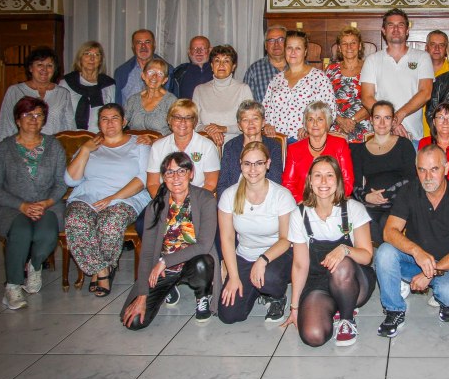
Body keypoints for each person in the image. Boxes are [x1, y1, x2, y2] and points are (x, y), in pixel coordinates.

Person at [375, 144, 449, 337]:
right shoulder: (409, 191)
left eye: (434, 169)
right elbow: (389, 231)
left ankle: (443, 298)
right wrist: (416, 251)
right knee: (384, 252)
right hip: (416, 260)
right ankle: (394, 310)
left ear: (446, 168)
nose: (427, 176)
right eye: (422, 170)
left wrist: (430, 273)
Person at [282, 156, 376, 347]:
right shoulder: (299, 214)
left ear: (338, 180)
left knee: (341, 264)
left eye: (329, 175)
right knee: (313, 336)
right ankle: (336, 307)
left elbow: (367, 256)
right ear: (310, 180)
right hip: (318, 280)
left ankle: (347, 319)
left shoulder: (354, 209)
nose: (323, 181)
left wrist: (344, 249)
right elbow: (300, 265)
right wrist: (295, 307)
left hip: (353, 280)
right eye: (318, 175)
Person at [121, 152, 219, 329]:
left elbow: (204, 245)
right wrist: (142, 295)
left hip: (192, 264)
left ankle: (202, 296)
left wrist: (164, 261)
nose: (175, 177)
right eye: (169, 172)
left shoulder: (205, 199)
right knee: (134, 322)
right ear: (163, 177)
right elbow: (147, 252)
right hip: (164, 270)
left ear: (191, 173)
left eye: (181, 171)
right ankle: (169, 288)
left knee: (202, 262)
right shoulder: (156, 205)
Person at [0, 97, 66, 309]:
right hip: (12, 207)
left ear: (44, 120)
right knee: (21, 232)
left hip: (47, 205)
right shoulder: (4, 148)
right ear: (17, 119)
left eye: (39, 115)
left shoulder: (54, 146)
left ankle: (35, 265)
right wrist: (22, 206)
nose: (33, 119)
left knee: (46, 235)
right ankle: (12, 287)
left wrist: (46, 203)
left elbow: (61, 183)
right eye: (27, 114)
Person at [64, 103, 151, 297]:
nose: (109, 123)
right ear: (99, 123)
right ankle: (102, 269)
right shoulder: (90, 145)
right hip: (88, 196)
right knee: (75, 218)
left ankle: (100, 271)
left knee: (110, 221)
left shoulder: (139, 144)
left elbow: (143, 179)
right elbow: (71, 180)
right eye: (104, 119)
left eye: (114, 118)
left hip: (126, 198)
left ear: (124, 121)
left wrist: (113, 197)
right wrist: (85, 150)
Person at [218, 142, 296, 324]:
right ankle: (255, 287)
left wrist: (262, 260)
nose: (253, 169)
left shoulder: (282, 195)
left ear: (268, 164)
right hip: (245, 255)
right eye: (247, 163)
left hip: (277, 255)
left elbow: (286, 239)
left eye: (259, 163)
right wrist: (234, 277)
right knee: (229, 315)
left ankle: (276, 296)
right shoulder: (229, 195)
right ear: (240, 165)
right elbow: (227, 239)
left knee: (269, 278)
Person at [360, 8, 435, 142]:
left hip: (413, 136)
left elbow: (425, 93)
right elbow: (366, 97)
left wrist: (397, 117)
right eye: (391, 25)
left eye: (400, 25)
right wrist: (391, 122)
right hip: (381, 136)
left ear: (407, 30)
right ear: (383, 30)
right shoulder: (372, 60)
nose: (396, 29)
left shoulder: (422, 57)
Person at [351, 100, 416, 244]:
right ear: (371, 120)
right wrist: (366, 196)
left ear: (393, 121)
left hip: (399, 202)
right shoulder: (359, 150)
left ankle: (384, 253)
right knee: (364, 220)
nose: (382, 123)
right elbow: (355, 184)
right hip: (370, 204)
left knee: (386, 223)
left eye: (387, 118)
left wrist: (386, 194)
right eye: (377, 117)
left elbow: (412, 178)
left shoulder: (404, 144)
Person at [263, 30, 336, 141]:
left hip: (306, 141)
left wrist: (309, 128)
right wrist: (267, 125)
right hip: (277, 141)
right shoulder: (276, 79)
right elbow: (266, 109)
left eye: (298, 48)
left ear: (305, 51)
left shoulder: (319, 78)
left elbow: (330, 112)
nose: (293, 52)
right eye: (289, 48)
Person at [0, 47, 74, 141]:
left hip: (53, 146)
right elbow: (5, 125)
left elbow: (70, 126)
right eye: (40, 64)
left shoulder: (63, 93)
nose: (44, 69)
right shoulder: (15, 91)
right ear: (30, 68)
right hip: (22, 146)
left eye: (49, 65)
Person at [146, 99, 220, 199]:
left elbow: (211, 183)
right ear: (169, 120)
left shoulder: (207, 146)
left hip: (197, 200)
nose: (183, 122)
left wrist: (189, 203)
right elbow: (152, 184)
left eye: (188, 118)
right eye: (177, 117)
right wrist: (167, 202)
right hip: (165, 199)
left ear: (194, 122)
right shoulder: (157, 147)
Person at [282, 101, 354, 203]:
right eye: (310, 119)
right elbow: (288, 184)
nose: (315, 124)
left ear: (327, 123)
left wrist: (331, 202)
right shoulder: (294, 149)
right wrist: (302, 203)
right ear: (305, 124)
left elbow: (347, 182)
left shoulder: (340, 145)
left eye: (320, 119)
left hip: (334, 203)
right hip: (303, 204)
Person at [216, 100, 283, 197]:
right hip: (235, 198)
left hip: (265, 199)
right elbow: (223, 184)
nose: (251, 123)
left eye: (255, 118)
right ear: (239, 126)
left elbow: (275, 181)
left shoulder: (273, 147)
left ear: (263, 122)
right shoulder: (230, 146)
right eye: (245, 120)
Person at [193, 45, 252, 146]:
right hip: (205, 144)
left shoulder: (243, 89)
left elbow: (250, 124)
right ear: (212, 66)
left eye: (226, 61)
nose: (221, 65)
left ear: (233, 66)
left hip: (236, 146)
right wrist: (210, 130)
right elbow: (194, 124)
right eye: (217, 60)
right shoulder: (199, 90)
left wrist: (223, 129)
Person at [325, 26, 371, 143]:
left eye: (353, 43)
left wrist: (352, 121)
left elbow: (375, 100)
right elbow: (324, 101)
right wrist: (340, 121)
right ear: (339, 48)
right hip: (336, 129)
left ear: (359, 46)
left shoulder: (370, 68)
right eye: (344, 43)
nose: (349, 47)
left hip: (363, 130)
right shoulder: (330, 70)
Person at [59, 41, 116, 132]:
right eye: (87, 54)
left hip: (100, 136)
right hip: (71, 136)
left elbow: (114, 114)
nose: (92, 58)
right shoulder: (66, 83)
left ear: (100, 61)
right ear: (80, 58)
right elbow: (60, 115)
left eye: (96, 55)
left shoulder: (109, 85)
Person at [114, 29, 173, 106]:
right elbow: (118, 105)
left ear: (154, 45)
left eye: (147, 42)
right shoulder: (121, 72)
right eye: (139, 42)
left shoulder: (168, 70)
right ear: (133, 46)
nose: (143, 46)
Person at [124, 58, 177, 135]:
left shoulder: (171, 101)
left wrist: (156, 139)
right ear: (143, 75)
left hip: (160, 142)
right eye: (151, 72)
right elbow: (121, 124)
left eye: (160, 74)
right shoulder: (133, 100)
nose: (154, 76)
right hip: (135, 142)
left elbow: (177, 132)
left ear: (165, 80)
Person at [243, 25, 288, 103]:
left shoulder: (302, 67)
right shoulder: (254, 71)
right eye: (271, 40)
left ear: (288, 43)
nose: (276, 44)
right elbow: (247, 104)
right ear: (265, 46)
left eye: (281, 39)